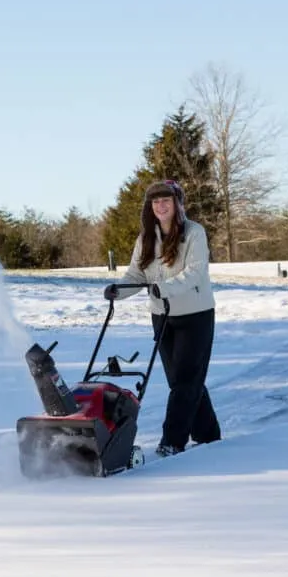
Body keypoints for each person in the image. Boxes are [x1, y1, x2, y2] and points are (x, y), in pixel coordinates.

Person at [103, 179, 221, 457]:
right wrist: (117, 291)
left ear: (178, 203)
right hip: (162, 316)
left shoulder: (194, 233)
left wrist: (163, 288)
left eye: (166, 200)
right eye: (155, 201)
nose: (161, 205)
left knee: (185, 381)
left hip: (196, 315)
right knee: (181, 382)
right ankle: (209, 436)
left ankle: (172, 441)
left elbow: (195, 272)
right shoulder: (146, 238)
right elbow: (136, 274)